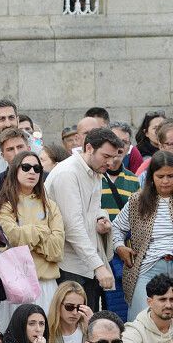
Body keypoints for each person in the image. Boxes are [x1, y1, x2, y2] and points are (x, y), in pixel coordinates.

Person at [47, 127, 125, 311]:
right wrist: (98, 266)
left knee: (89, 326)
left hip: (86, 263)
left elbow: (94, 209)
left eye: (114, 157)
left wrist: (101, 219)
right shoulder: (67, 173)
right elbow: (72, 227)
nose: (111, 162)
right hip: (69, 266)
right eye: (106, 156)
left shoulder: (95, 170)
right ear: (89, 148)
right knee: (73, 328)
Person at [0, 150, 65, 310]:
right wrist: (42, 232)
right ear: (15, 170)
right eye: (26, 167)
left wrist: (27, 238)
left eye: (37, 168)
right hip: (15, 282)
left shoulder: (50, 205)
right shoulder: (3, 203)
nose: (32, 172)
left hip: (46, 284)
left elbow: (57, 249)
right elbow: (11, 239)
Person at [115, 151, 173, 321]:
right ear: (151, 177)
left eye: (170, 176)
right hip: (147, 267)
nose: (165, 181)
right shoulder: (138, 200)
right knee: (140, 320)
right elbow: (116, 228)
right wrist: (120, 247)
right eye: (160, 176)